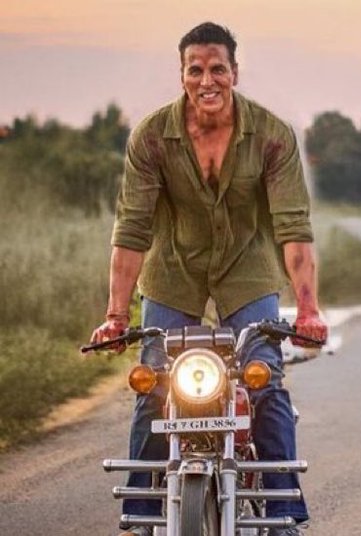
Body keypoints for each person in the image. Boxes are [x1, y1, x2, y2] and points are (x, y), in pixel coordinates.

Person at [90, 22, 327, 536]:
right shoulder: (151, 137)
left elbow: (293, 229)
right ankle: (143, 513)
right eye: (195, 69)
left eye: (217, 68)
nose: (207, 80)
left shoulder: (272, 135)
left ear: (234, 72)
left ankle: (282, 513)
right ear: (181, 75)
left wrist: (308, 309)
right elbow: (132, 230)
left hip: (247, 270)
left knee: (264, 379)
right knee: (153, 380)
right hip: (174, 271)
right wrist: (115, 316)